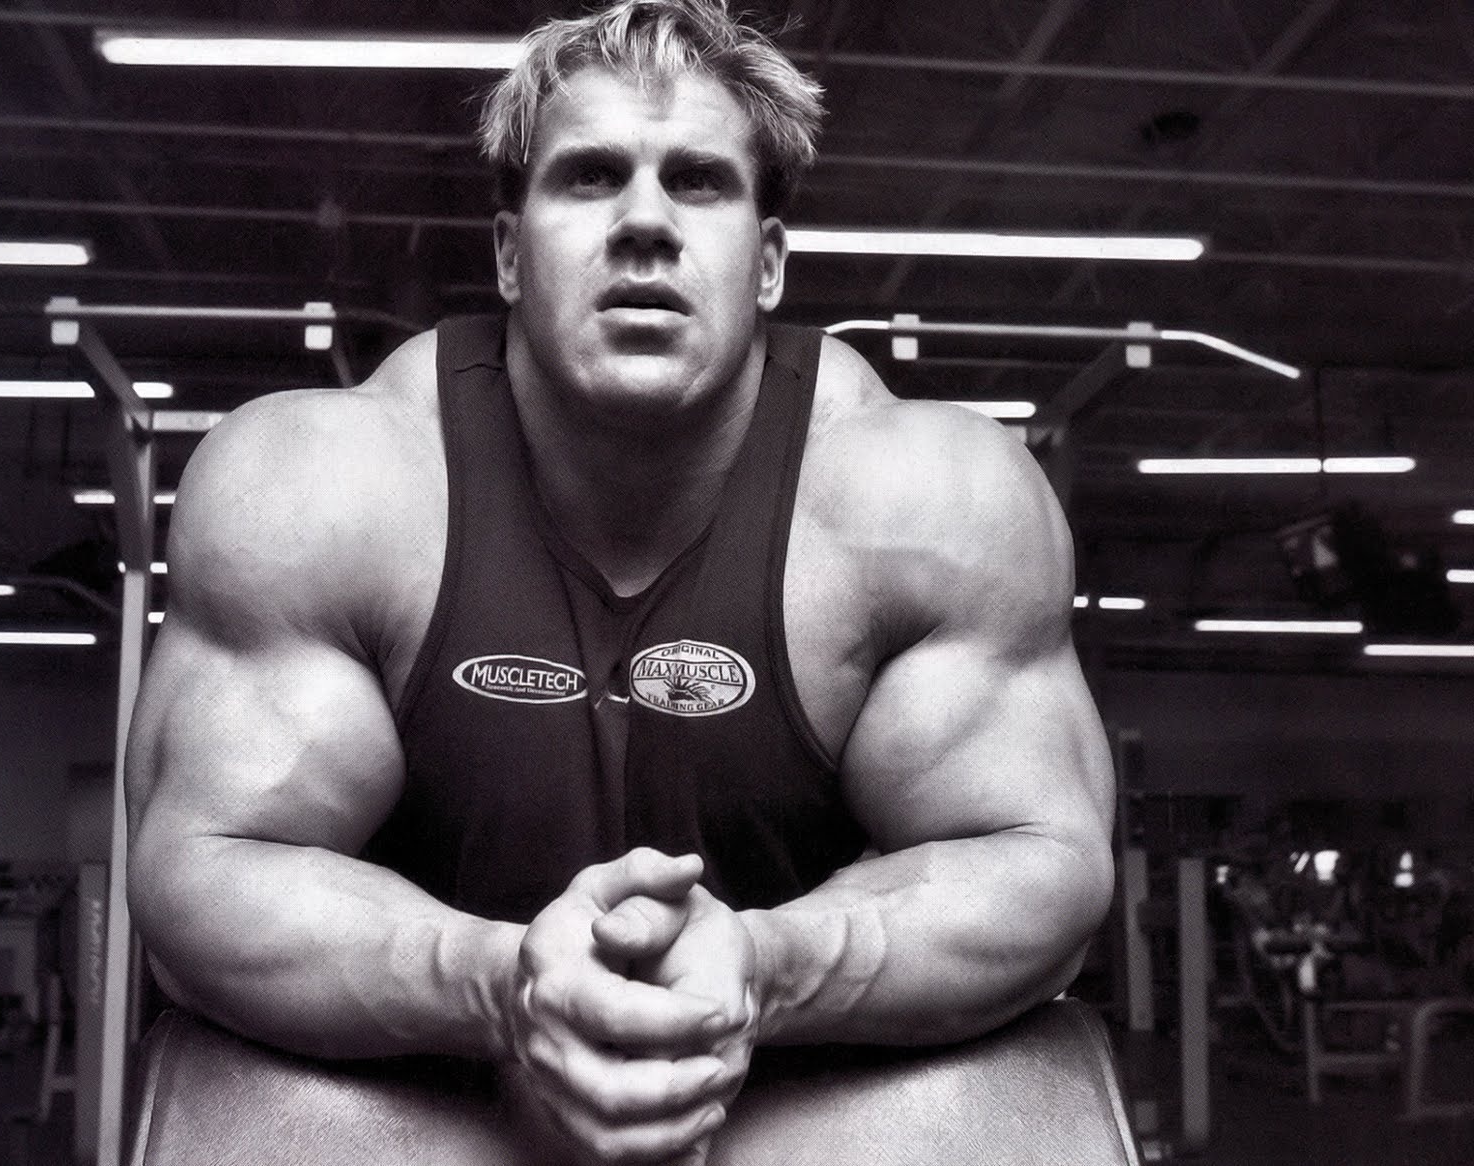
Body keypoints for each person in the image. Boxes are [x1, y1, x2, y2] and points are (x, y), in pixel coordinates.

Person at [124, 1, 1116, 1162]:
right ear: (507, 253)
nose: (645, 221)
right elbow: (201, 870)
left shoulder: (932, 499)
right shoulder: (317, 488)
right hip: (434, 1114)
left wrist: (765, 968)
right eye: (590, 176)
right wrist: (497, 982)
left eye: (697, 181)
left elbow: (1042, 864)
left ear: (769, 262)